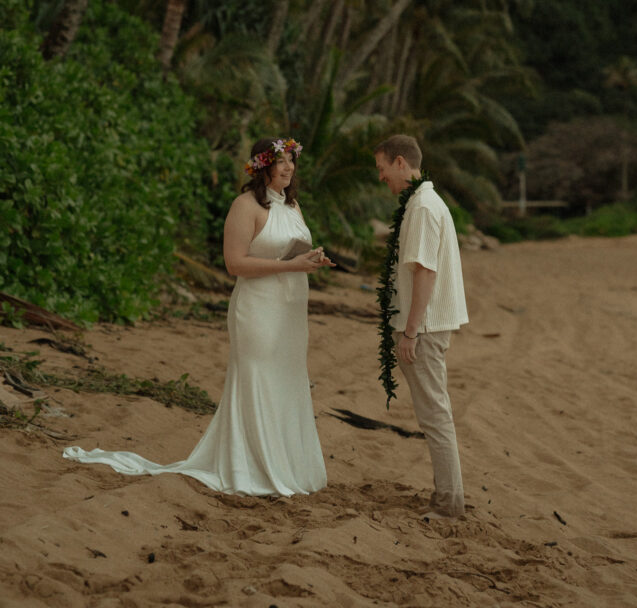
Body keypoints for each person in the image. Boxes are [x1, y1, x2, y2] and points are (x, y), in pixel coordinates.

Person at [64, 136, 329, 498]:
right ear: (262, 166)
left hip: (291, 312)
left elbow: (290, 252)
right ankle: (253, 468)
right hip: (259, 309)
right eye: (281, 161)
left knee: (286, 380)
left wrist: (310, 260)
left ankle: (286, 465)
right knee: (257, 379)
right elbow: (234, 263)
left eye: (291, 161)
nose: (288, 167)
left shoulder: (293, 207)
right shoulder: (245, 205)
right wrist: (288, 265)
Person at [374, 134, 468, 519]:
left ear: (401, 163)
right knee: (434, 412)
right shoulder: (420, 203)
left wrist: (411, 332)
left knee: (434, 414)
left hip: (425, 328)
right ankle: (447, 498)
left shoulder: (424, 208)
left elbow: (425, 272)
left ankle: (449, 504)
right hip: (425, 325)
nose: (381, 178)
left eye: (382, 169)